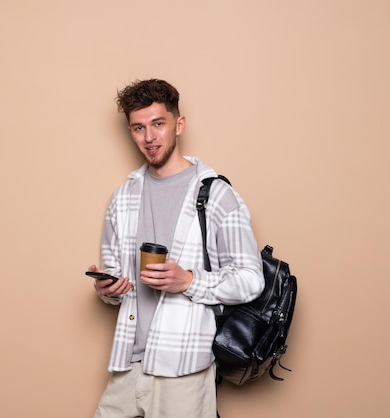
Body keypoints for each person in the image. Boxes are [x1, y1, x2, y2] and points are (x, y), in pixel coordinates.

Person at [88, 79, 264, 418]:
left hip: (184, 368)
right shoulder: (123, 197)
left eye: (158, 124)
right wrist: (106, 287)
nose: (149, 138)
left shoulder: (216, 195)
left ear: (178, 124)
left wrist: (188, 281)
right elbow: (117, 289)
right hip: (128, 363)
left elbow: (251, 279)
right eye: (139, 128)